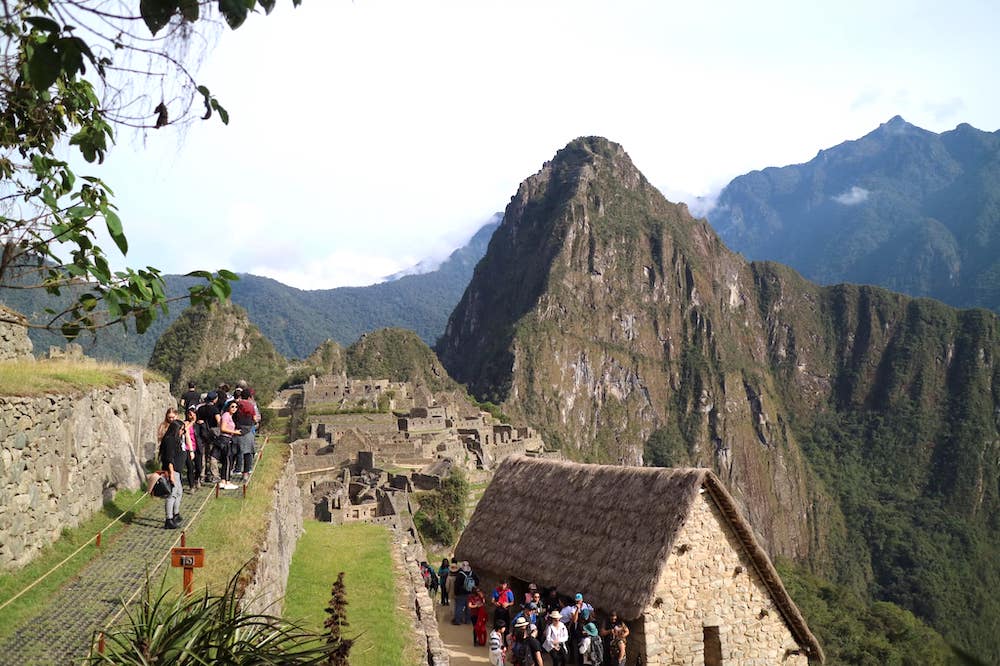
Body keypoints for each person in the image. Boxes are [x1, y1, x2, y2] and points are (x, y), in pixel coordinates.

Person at [158, 419, 185, 529]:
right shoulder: (169, 440)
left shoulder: (176, 439)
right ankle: (168, 519)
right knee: (172, 494)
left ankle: (175, 514)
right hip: (171, 471)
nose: (182, 432)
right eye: (181, 429)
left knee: (178, 492)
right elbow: (169, 458)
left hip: (177, 470)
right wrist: (171, 474)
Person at [218, 400, 242, 489]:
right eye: (232, 406)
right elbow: (223, 428)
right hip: (225, 439)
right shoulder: (226, 415)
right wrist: (234, 432)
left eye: (236, 407)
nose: (234, 409)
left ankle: (224, 480)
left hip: (228, 438)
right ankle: (227, 481)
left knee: (227, 461)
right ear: (228, 407)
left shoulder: (230, 416)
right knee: (228, 460)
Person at [182, 406, 202, 489]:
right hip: (187, 448)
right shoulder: (185, 423)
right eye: (190, 414)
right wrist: (192, 422)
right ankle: (191, 486)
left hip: (197, 448)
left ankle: (197, 478)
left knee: (199, 468)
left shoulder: (198, 424)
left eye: (194, 414)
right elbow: (184, 430)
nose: (192, 416)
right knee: (190, 467)